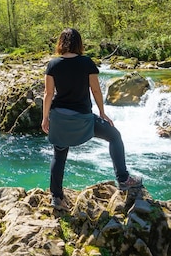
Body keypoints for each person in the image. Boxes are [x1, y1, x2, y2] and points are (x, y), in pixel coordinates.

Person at [41, 28, 142, 209]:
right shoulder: (87, 63)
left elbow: (48, 94)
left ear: (60, 43)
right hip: (84, 119)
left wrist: (45, 118)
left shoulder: (53, 64)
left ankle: (56, 197)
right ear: (79, 43)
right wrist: (102, 113)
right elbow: (95, 90)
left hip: (60, 117)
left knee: (59, 153)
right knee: (115, 136)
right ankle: (123, 179)